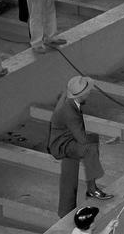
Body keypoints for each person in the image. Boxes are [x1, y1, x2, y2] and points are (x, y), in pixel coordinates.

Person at [48, 75, 113, 216]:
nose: (89, 94)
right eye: (87, 92)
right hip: (62, 143)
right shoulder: (70, 113)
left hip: (65, 136)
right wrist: (105, 141)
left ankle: (66, 210)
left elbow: (60, 95)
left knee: (70, 171)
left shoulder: (69, 97)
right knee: (90, 148)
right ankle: (92, 188)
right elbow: (82, 140)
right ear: (80, 95)